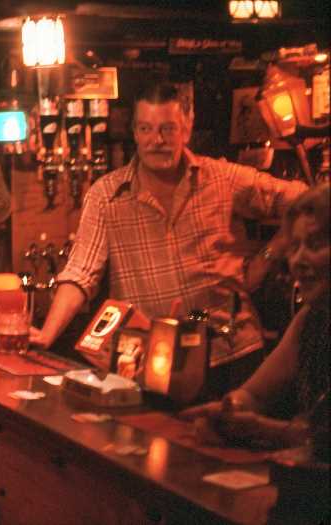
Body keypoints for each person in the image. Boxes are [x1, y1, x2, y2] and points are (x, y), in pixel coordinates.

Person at [30, 81, 307, 395]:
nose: (156, 140)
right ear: (135, 133)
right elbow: (80, 273)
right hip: (152, 362)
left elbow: (306, 200)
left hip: (230, 354)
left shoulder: (223, 178)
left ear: (186, 129)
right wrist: (47, 334)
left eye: (167, 129)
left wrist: (272, 252)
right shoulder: (106, 196)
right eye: (146, 129)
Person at [180, 183, 329, 458]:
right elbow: (256, 395)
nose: (298, 260)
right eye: (294, 247)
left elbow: (322, 439)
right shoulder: (312, 318)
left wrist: (263, 430)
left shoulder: (220, 179)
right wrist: (230, 409)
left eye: (315, 245)